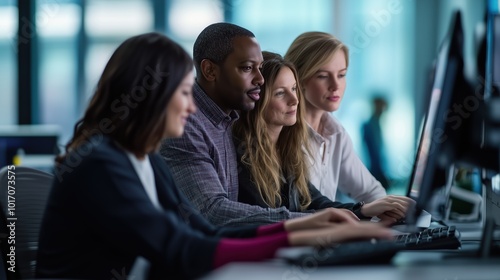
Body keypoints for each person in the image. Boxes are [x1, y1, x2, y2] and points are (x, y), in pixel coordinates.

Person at [35, 32, 393, 280]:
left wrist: (306, 225)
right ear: (152, 96)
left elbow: (204, 232)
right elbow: (181, 248)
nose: (192, 106)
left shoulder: (146, 160)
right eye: (184, 92)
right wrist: (300, 235)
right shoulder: (103, 164)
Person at [160, 23, 322, 227]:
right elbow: (211, 211)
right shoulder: (186, 124)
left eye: (260, 68)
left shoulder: (229, 117)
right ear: (210, 70)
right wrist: (310, 221)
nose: (261, 80)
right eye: (247, 68)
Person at [233, 51, 410, 222]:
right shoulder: (241, 156)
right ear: (256, 98)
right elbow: (268, 219)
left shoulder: (286, 150)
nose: (294, 99)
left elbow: (317, 202)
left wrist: (363, 209)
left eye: (293, 89)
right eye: (280, 93)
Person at [284, 32, 412, 205]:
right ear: (298, 79)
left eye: (341, 75)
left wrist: (393, 210)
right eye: (323, 76)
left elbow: (370, 191)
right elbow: (300, 208)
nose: (336, 86)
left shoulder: (335, 133)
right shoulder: (281, 133)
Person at [362, 95, 390, 189]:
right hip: (375, 169)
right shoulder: (369, 126)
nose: (382, 110)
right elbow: (373, 153)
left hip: (377, 167)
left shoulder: (376, 124)